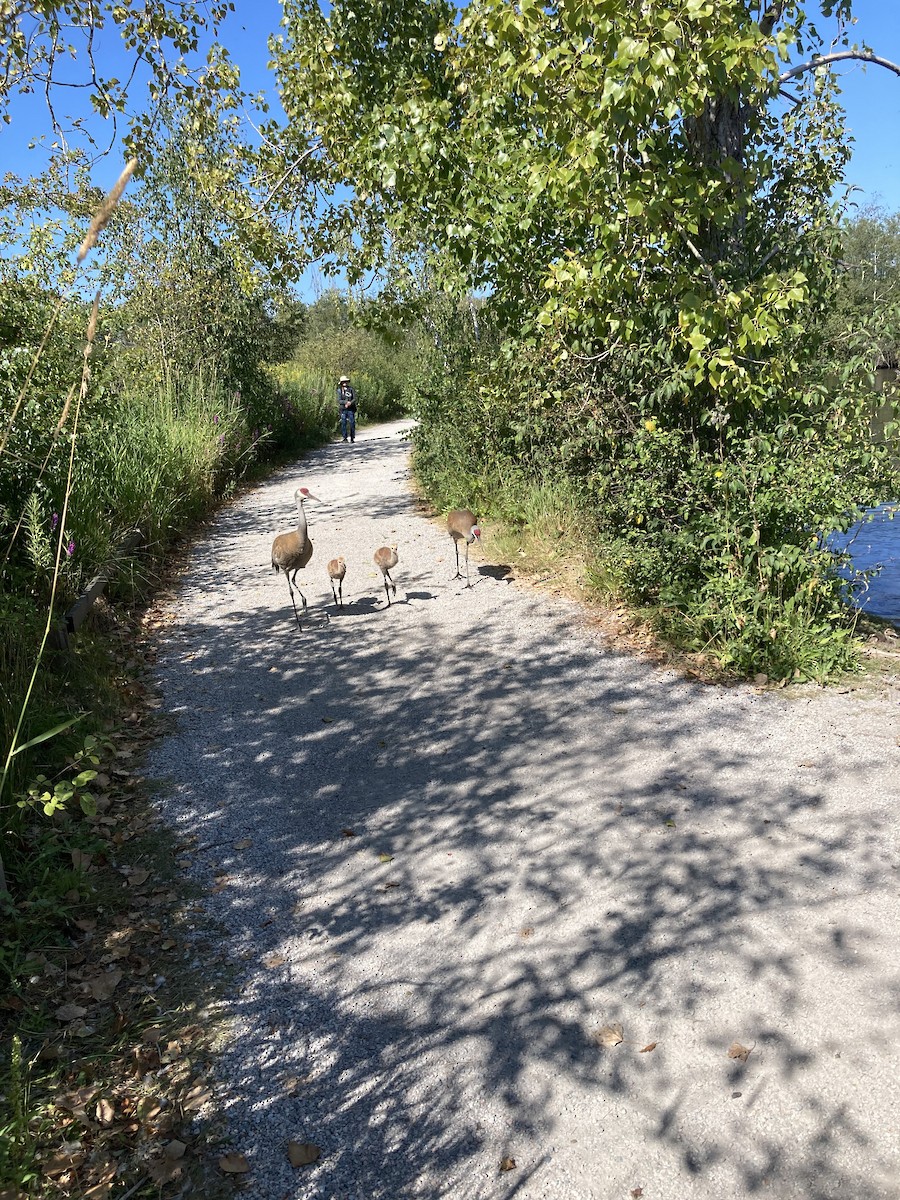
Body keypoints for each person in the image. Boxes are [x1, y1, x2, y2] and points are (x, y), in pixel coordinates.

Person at [337, 375, 357, 442]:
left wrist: (350, 403)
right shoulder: (339, 390)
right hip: (343, 409)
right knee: (343, 423)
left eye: (345, 381)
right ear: (341, 383)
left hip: (351, 409)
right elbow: (339, 400)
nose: (344, 383)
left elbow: (354, 398)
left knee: (352, 423)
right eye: (343, 382)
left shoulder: (351, 389)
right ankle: (344, 437)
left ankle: (352, 437)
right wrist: (345, 402)